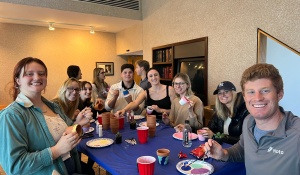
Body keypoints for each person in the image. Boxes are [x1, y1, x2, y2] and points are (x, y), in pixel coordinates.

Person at [204, 63, 300, 175]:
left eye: (265, 90)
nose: (257, 98)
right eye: (251, 92)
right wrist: (223, 154)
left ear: (280, 94)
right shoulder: (249, 121)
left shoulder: (296, 136)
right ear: (244, 97)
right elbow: (242, 149)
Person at [0, 57, 91, 174]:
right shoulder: (11, 115)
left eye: (41, 73)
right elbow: (15, 167)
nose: (37, 77)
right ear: (18, 80)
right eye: (29, 74)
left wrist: (78, 124)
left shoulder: (54, 107)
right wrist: (56, 150)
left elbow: (69, 134)